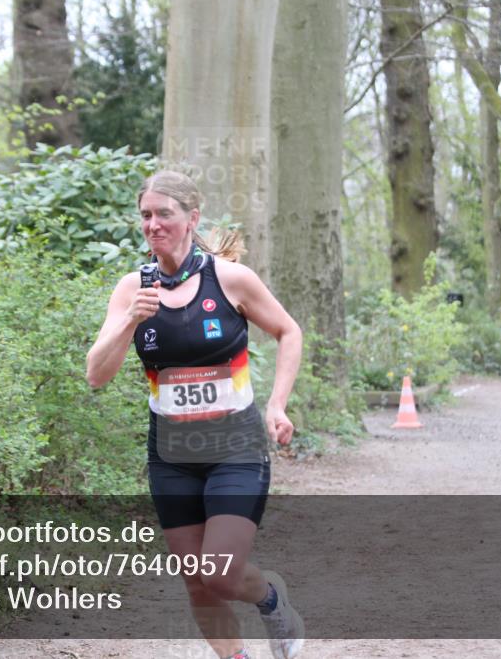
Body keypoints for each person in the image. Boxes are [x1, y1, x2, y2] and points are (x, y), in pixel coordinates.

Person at [86, 170, 305, 659]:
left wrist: (277, 403)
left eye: (164, 213)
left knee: (221, 572)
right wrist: (128, 321)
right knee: (198, 584)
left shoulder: (230, 280)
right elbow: (96, 374)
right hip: (172, 455)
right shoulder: (131, 290)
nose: (153, 224)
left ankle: (271, 600)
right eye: (146, 215)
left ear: (191, 219)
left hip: (236, 449)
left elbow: (288, 332)